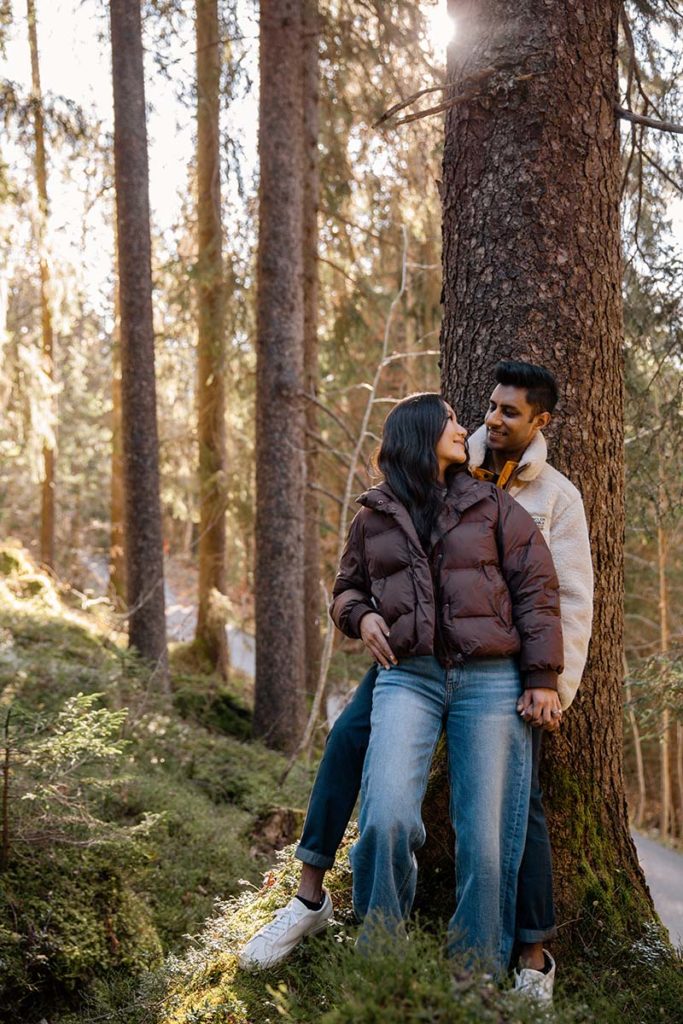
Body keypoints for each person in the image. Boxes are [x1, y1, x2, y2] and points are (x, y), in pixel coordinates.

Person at [241, 385, 566, 975]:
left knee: (487, 842)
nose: (461, 427)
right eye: (447, 420)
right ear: (419, 435)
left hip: (491, 679)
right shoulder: (374, 517)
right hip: (407, 676)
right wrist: (360, 615)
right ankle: (382, 957)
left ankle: (475, 976)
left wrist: (543, 675)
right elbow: (346, 589)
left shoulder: (491, 506)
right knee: (386, 816)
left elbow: (537, 589)